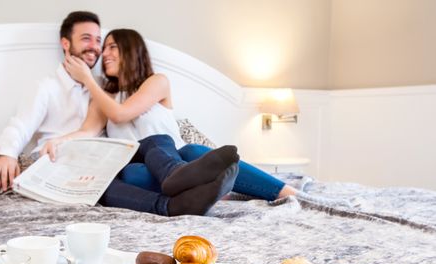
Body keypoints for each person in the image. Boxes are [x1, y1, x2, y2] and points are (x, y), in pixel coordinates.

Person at [0, 11, 237, 217]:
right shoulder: (47, 87)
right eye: (87, 39)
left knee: (156, 141)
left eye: (99, 41)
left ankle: (179, 178)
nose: (96, 48)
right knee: (105, 181)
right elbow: (21, 124)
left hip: (96, 158)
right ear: (66, 44)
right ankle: (171, 204)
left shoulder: (103, 89)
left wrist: (91, 83)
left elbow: (95, 127)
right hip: (59, 161)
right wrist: (6, 154)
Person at [44, 28, 297, 201]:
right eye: (105, 48)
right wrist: (58, 141)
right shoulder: (104, 99)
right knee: (130, 175)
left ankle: (286, 191)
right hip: (144, 168)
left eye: (113, 47)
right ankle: (213, 188)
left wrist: (88, 80)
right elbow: (86, 131)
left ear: (131, 51)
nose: (105, 54)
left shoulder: (157, 82)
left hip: (180, 162)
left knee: (194, 152)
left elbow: (122, 114)